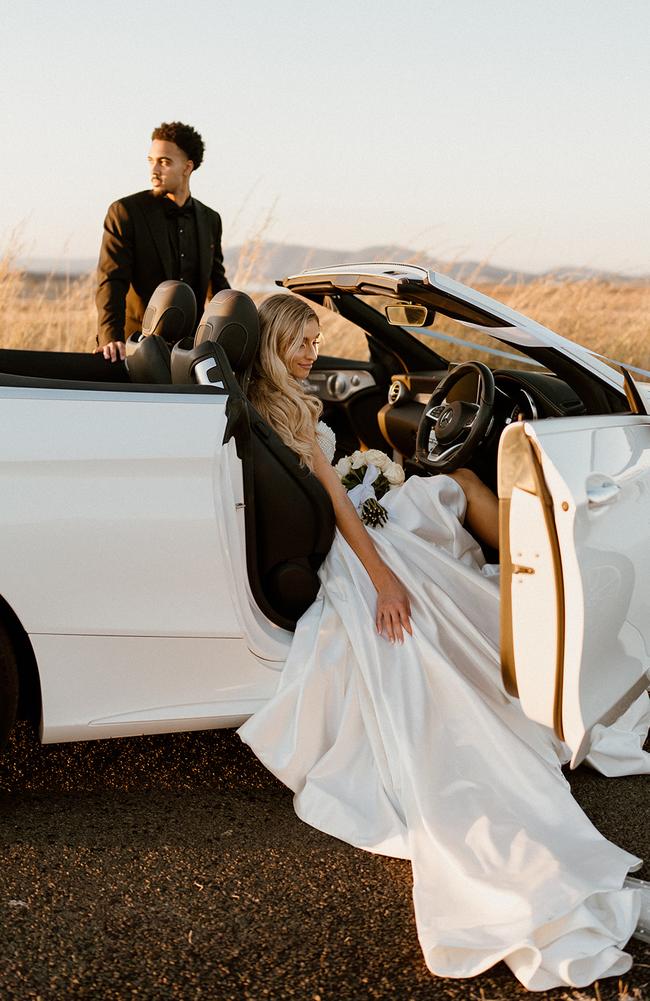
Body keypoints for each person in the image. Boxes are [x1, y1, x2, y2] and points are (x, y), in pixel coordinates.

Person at [238, 294, 650, 992]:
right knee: (450, 502)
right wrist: (385, 579)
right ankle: (546, 565)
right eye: (301, 341)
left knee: (442, 493)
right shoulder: (293, 413)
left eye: (316, 340)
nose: (311, 353)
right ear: (274, 340)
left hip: (344, 529)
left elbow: (337, 490)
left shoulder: (268, 400)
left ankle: (508, 567)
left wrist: (374, 477)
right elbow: (339, 505)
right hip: (350, 548)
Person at [95, 121, 229, 362]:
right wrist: (110, 337)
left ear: (188, 167)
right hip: (133, 349)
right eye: (151, 161)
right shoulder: (125, 212)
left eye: (165, 162)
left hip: (188, 353)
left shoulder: (210, 219)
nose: (154, 170)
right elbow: (111, 281)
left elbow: (218, 287)